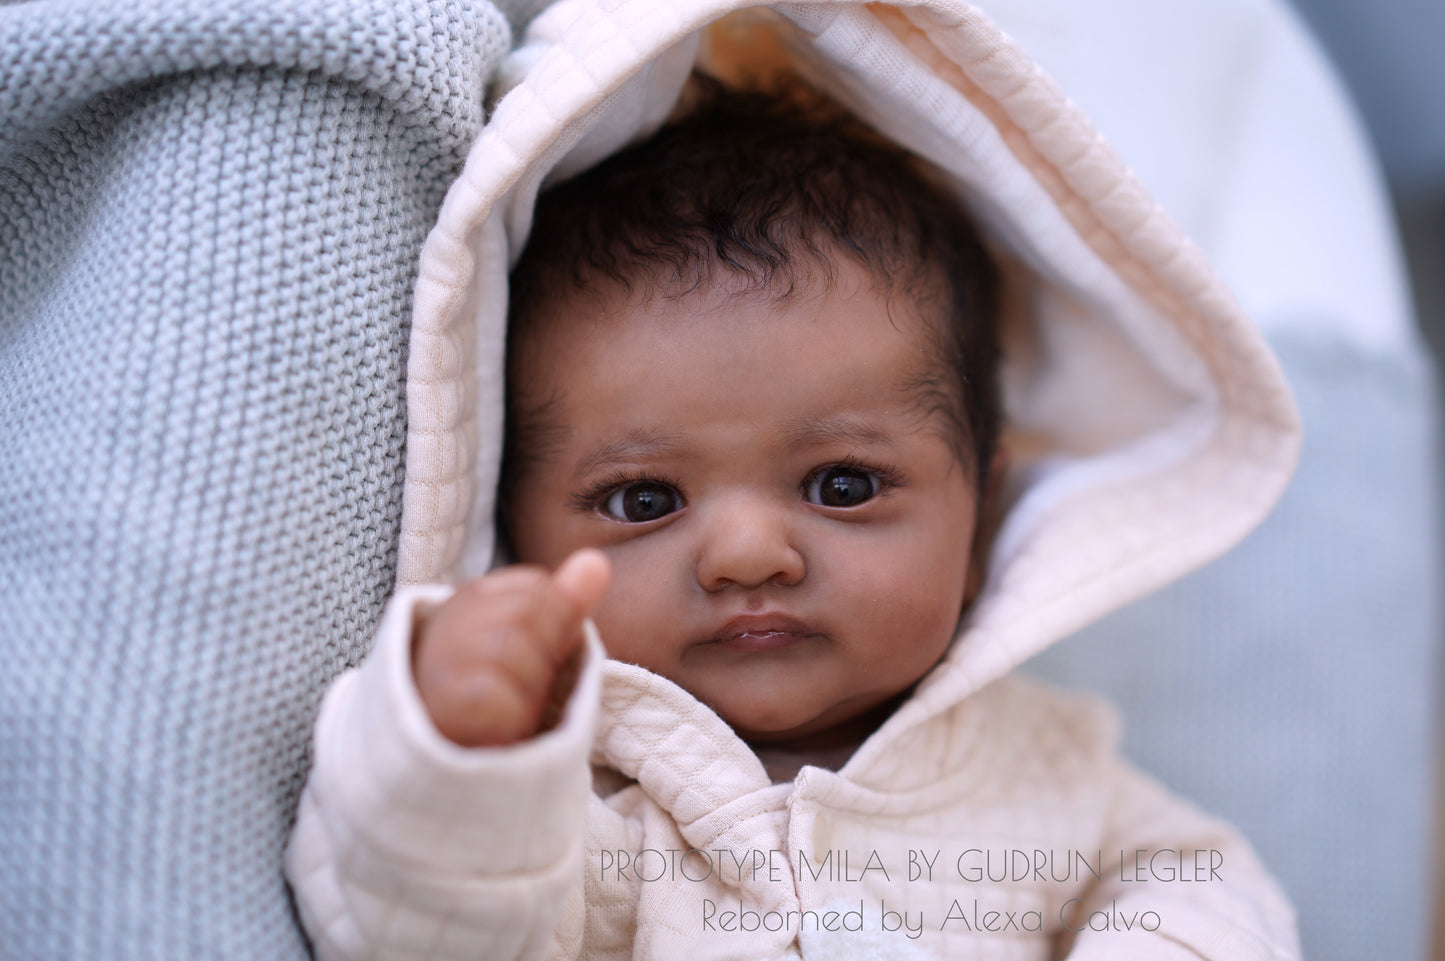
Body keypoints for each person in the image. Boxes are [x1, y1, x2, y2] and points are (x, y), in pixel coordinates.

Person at [285, 79, 1299, 961]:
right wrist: (455, 758)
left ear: (980, 510)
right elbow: (406, 929)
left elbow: (1196, 880)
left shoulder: (1047, 770)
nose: (744, 554)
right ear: (513, 525)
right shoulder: (568, 793)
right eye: (644, 501)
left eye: (843, 485)